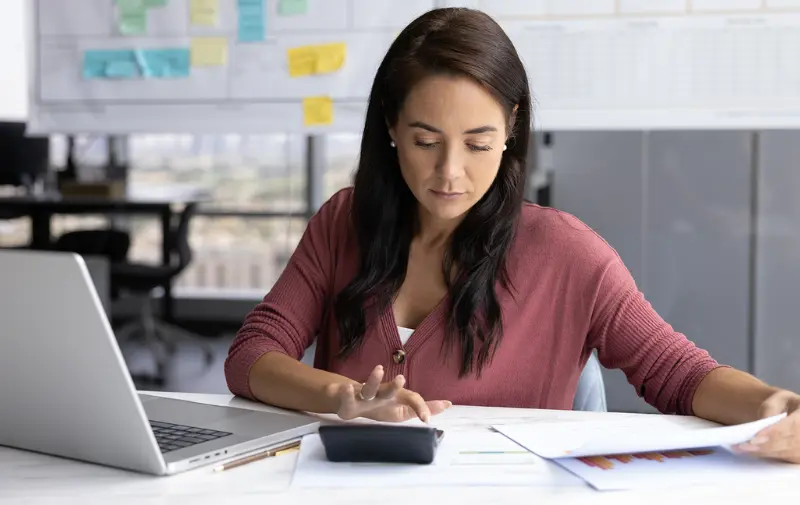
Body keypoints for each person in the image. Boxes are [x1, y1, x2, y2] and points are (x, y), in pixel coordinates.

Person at [225, 7, 800, 464]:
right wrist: (342, 399)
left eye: (477, 144)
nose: (450, 172)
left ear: (512, 130)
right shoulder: (343, 223)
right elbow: (252, 353)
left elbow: (677, 372)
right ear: (391, 128)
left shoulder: (567, 253)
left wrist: (778, 406)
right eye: (426, 141)